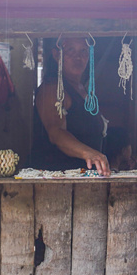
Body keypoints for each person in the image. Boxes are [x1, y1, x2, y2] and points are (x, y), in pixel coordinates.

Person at [30, 37, 111, 175]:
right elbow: (55, 132)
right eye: (70, 50)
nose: (78, 57)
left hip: (83, 179)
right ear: (56, 55)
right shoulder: (51, 89)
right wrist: (89, 153)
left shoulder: (82, 89)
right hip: (55, 180)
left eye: (83, 51)